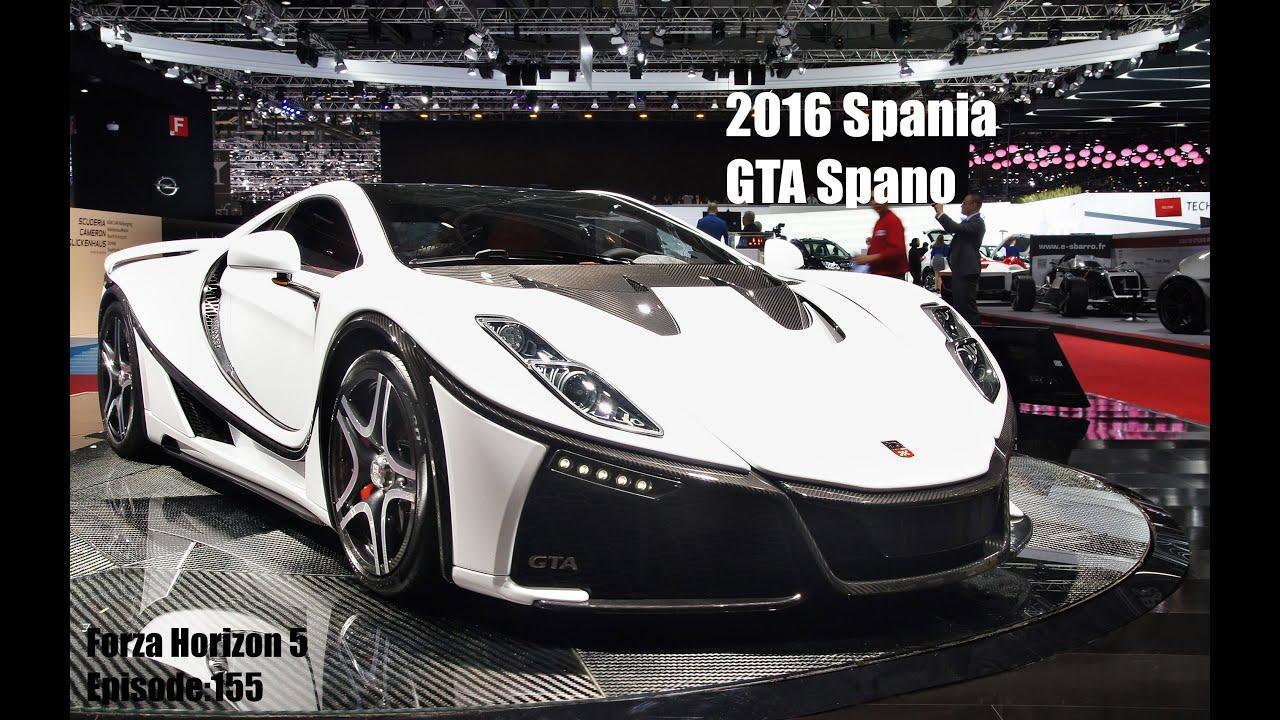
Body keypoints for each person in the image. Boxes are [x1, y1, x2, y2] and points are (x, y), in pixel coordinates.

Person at [933, 193, 986, 326]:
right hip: (963, 269)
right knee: (961, 306)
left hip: (967, 270)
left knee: (967, 307)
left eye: (964, 203)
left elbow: (954, 227)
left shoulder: (977, 222)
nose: (962, 205)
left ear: (974, 205)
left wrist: (941, 213)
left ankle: (976, 332)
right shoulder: (969, 222)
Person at [854, 199, 909, 279]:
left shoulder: (892, 221)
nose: (875, 202)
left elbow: (897, 251)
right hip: (880, 275)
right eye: (872, 199)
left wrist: (869, 258)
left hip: (891, 276)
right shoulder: (880, 221)